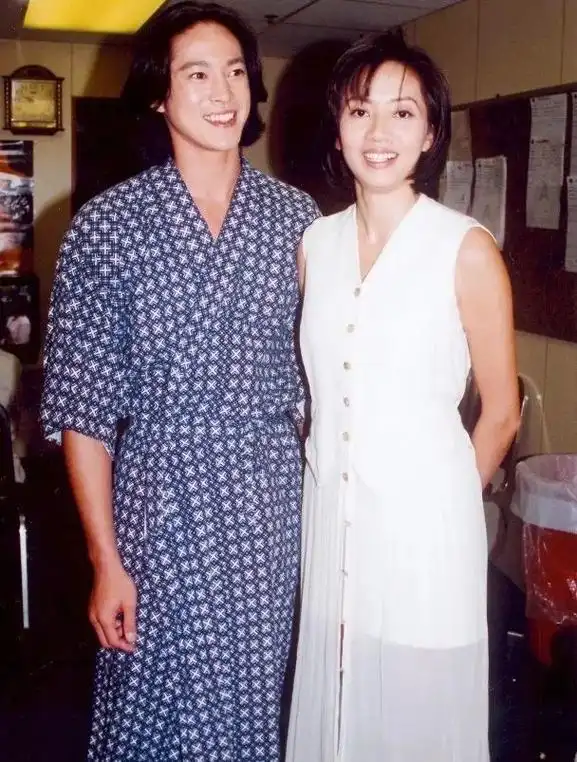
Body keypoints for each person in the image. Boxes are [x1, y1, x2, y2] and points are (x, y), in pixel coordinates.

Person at [41, 2, 318, 759]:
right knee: (151, 706)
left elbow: (325, 380)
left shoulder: (299, 222)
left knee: (251, 704)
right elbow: (84, 412)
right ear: (159, 94)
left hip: (267, 507)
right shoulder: (107, 226)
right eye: (197, 74)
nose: (222, 92)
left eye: (235, 72)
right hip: (157, 501)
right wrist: (106, 562)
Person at [287, 33, 520, 762]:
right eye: (360, 111)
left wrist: (436, 510)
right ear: (337, 129)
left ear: (429, 133)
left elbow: (501, 410)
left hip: (425, 535)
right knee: (338, 712)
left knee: (417, 716)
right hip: (331, 524)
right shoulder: (314, 246)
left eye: (402, 112)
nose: (379, 132)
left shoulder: (465, 249)